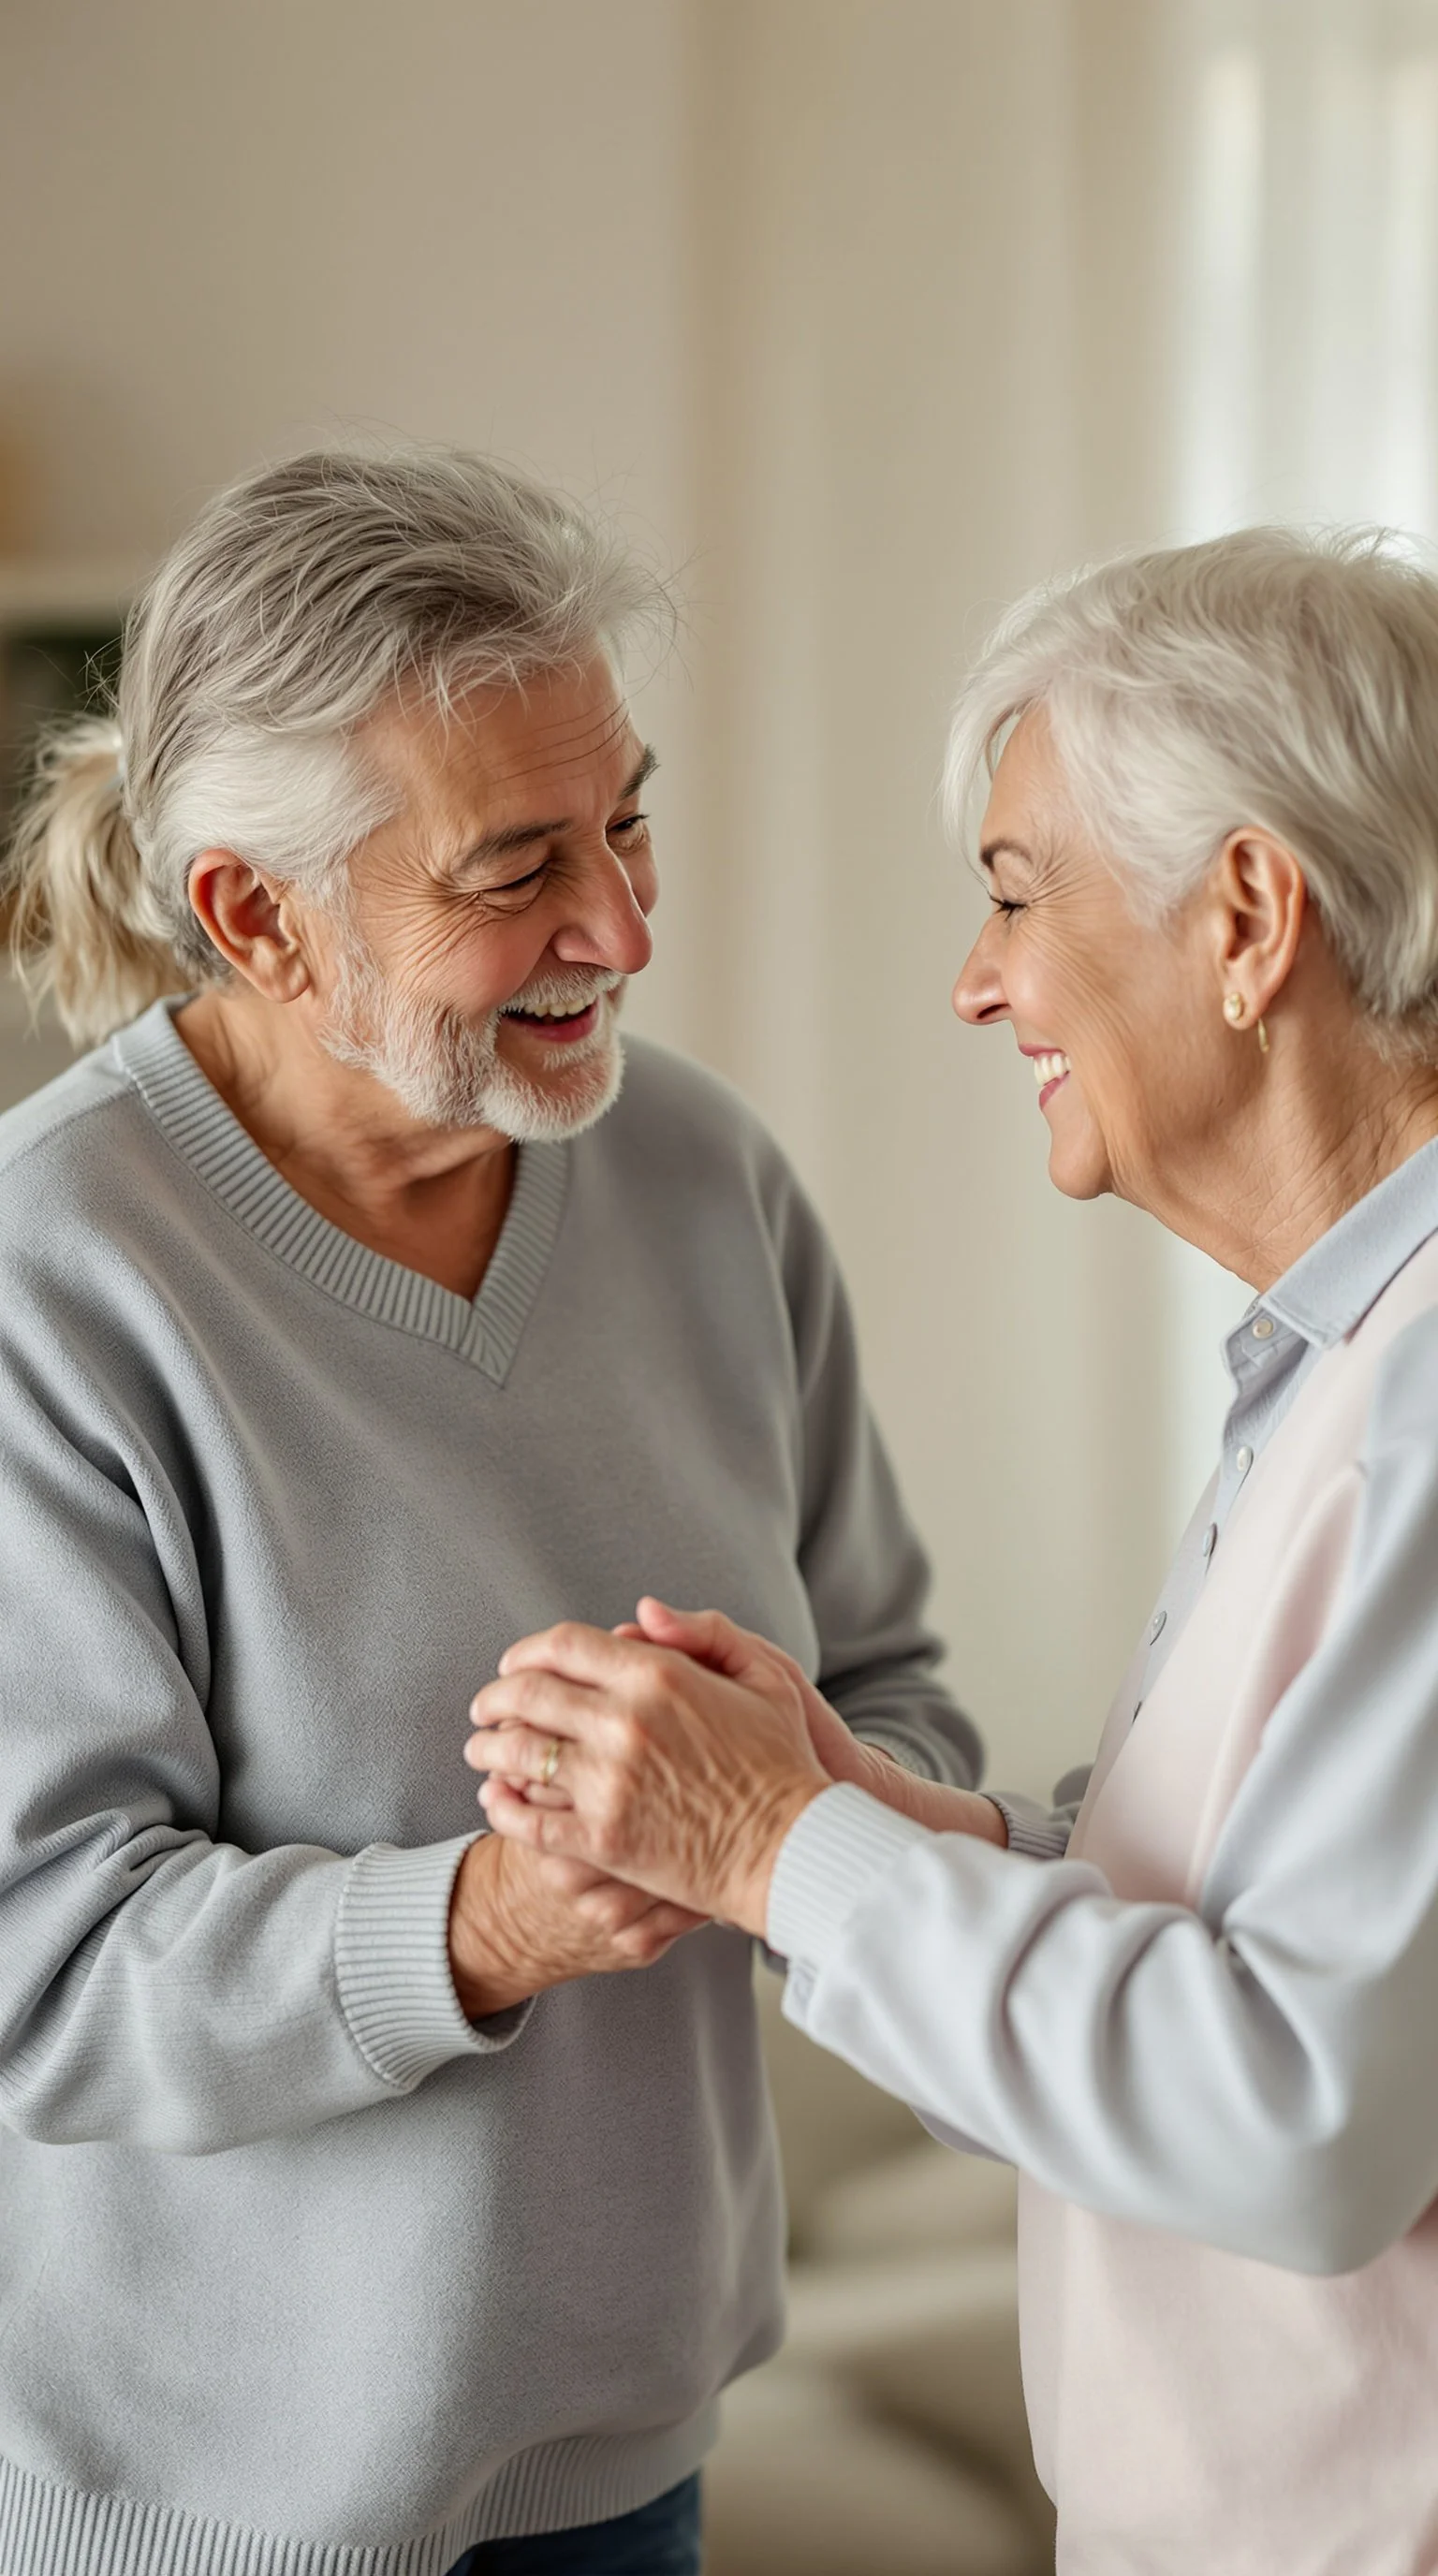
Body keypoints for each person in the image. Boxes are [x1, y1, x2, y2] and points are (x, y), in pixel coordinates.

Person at [0, 447, 982, 2576]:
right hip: (206, 2512)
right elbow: (45, 1965)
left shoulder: (706, 1183)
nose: (621, 928)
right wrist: (491, 1921)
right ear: (260, 911)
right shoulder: (56, 1278)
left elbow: (900, 1692)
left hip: (629, 2458)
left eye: (627, 820)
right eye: (517, 865)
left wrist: (801, 1803)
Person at [473, 526, 1438, 2574]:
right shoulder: (1342, 1359)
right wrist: (875, 1817)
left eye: (1016, 891)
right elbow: (1264, 1945)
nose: (977, 978)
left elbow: (1303, 2114)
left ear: (1249, 914)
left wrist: (774, 1850)